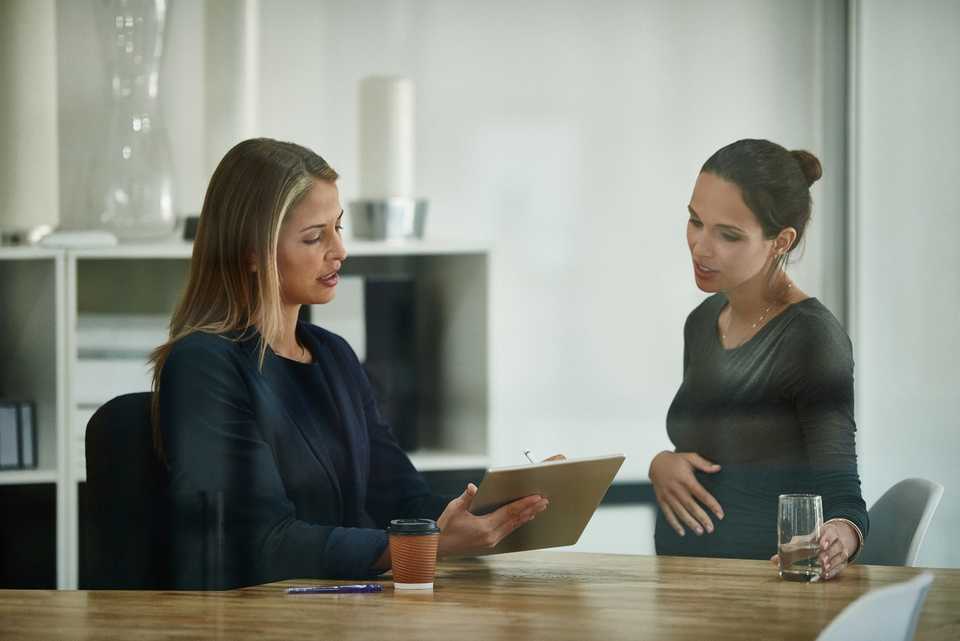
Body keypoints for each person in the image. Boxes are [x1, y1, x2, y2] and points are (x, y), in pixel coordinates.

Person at [150, 138, 549, 588]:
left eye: (338, 228)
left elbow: (398, 497)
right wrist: (424, 543)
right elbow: (259, 543)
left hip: (348, 609)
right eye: (314, 236)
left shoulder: (333, 355)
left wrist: (502, 509)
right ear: (250, 252)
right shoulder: (203, 365)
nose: (339, 251)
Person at [648, 139, 868, 581]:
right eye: (695, 222)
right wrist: (662, 465)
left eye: (727, 235)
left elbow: (844, 501)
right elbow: (716, 449)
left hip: (763, 594)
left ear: (780, 241)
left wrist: (838, 539)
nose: (700, 247)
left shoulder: (811, 337)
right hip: (682, 587)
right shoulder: (703, 321)